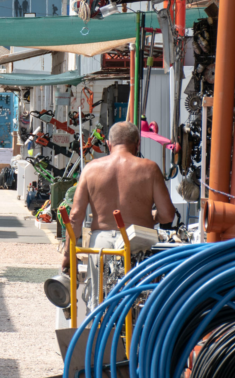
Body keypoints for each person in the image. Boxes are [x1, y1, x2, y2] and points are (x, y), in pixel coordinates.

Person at [66, 121, 175, 308]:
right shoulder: (149, 168)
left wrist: (69, 255)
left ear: (109, 144)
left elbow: (75, 216)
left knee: (99, 303)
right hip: (140, 242)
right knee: (141, 301)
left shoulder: (91, 169)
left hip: (101, 244)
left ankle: (101, 334)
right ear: (138, 143)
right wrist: (150, 216)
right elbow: (167, 215)